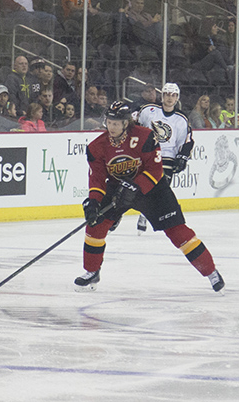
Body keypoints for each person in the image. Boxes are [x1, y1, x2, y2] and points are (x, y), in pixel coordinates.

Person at [76, 100, 224, 293]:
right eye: (109, 122)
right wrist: (94, 202)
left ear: (126, 123)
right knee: (95, 225)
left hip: (153, 189)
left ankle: (211, 272)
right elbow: (97, 178)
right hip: (118, 188)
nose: (112, 127)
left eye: (116, 123)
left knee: (177, 231)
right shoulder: (97, 147)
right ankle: (92, 271)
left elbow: (155, 170)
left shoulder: (145, 136)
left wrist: (135, 187)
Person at [134, 82, 193, 233]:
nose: (169, 98)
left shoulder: (181, 118)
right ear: (162, 95)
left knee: (159, 188)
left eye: (173, 95)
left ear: (177, 98)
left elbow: (186, 140)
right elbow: (133, 122)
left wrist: (183, 156)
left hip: (167, 157)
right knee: (135, 186)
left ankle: (144, 215)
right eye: (167, 94)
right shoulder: (149, 110)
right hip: (147, 154)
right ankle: (117, 216)